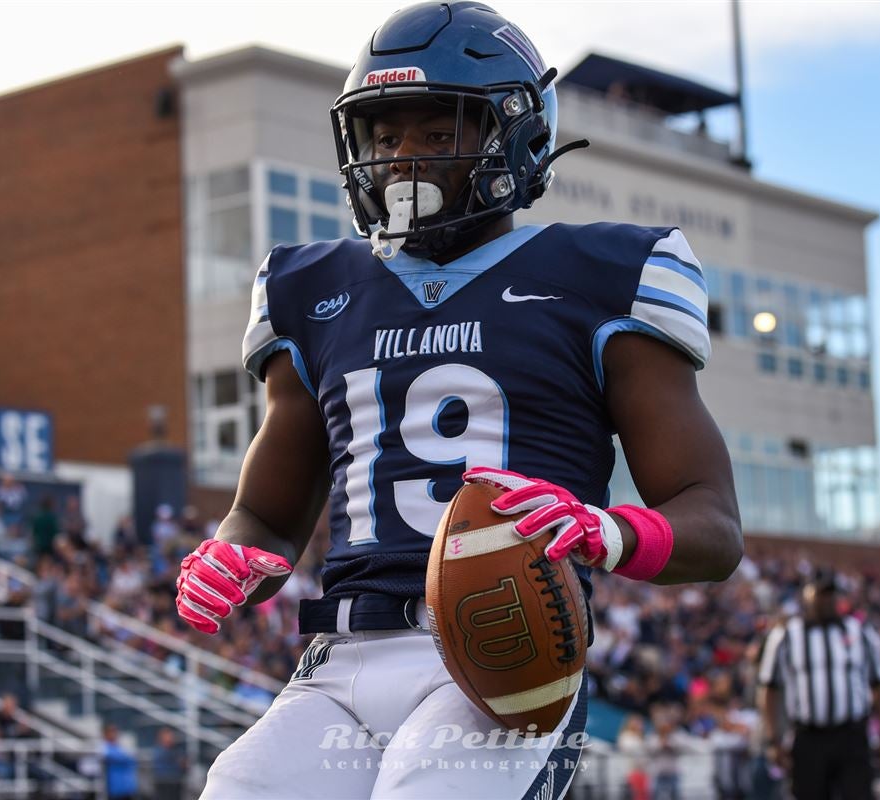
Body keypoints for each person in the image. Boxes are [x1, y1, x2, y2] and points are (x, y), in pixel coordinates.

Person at [176, 3, 742, 798]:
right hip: (339, 665)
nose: (401, 157)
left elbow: (712, 524)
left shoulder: (606, 274)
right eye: (383, 135)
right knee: (238, 786)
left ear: (515, 137)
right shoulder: (310, 288)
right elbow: (267, 517)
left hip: (504, 657)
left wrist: (606, 531)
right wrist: (234, 553)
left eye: (437, 133)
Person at [756, 568, 880, 800]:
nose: (826, 600)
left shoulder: (860, 632)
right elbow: (769, 688)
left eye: (831, 594)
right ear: (807, 596)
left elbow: (879, 685)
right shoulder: (786, 636)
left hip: (852, 735)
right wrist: (773, 740)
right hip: (809, 737)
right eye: (820, 594)